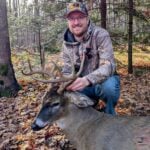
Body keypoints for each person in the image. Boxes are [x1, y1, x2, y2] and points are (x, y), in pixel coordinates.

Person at [61, 2, 120, 115]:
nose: (76, 22)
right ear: (68, 22)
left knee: (109, 89)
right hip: (82, 86)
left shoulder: (100, 34)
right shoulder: (66, 43)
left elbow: (108, 66)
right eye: (72, 19)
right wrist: (64, 83)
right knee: (66, 93)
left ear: (87, 19)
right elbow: (67, 70)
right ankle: (91, 109)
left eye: (80, 18)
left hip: (102, 82)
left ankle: (110, 114)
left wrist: (87, 80)